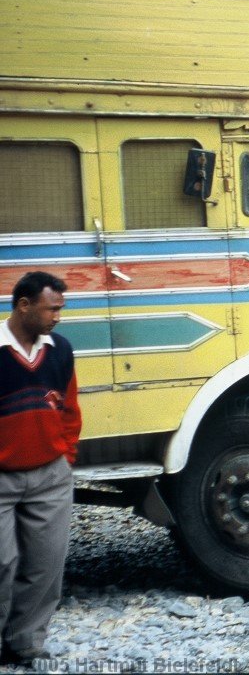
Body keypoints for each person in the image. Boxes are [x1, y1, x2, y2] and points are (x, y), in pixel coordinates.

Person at [0, 272, 81, 668]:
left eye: (61, 309)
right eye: (53, 309)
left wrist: (65, 457)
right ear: (24, 305)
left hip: (50, 475)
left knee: (46, 566)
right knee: (2, 563)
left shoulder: (61, 350)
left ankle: (24, 644)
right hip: (2, 477)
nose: (58, 317)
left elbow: (71, 409)